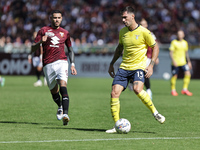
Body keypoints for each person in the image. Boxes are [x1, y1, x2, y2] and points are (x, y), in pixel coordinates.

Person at [106, 6, 165, 133]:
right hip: (124, 67)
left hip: (138, 67)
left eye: (125, 17)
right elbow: (119, 48)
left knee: (138, 90)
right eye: (122, 17)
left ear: (132, 16)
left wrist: (151, 65)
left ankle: (155, 113)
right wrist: (112, 63)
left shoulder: (144, 32)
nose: (123, 20)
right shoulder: (122, 32)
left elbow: (156, 47)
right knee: (114, 93)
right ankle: (116, 125)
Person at [31, 10, 77, 126]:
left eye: (59, 18)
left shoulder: (65, 33)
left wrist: (72, 64)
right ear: (50, 18)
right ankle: (60, 106)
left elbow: (70, 50)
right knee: (54, 91)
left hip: (62, 62)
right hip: (48, 64)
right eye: (55, 17)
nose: (57, 20)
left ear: (61, 19)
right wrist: (40, 42)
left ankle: (66, 114)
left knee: (63, 85)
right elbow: (32, 48)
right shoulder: (43, 31)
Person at [128, 18, 159, 100]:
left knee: (145, 73)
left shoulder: (150, 34)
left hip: (147, 57)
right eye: (141, 24)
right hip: (136, 57)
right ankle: (131, 81)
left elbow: (155, 46)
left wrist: (156, 57)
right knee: (134, 71)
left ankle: (148, 90)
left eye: (144, 24)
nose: (143, 25)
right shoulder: (136, 33)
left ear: (147, 25)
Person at [169, 30, 193, 96]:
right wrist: (173, 61)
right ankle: (173, 90)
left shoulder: (185, 43)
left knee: (188, 74)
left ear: (183, 35)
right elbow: (171, 53)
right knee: (175, 76)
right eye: (178, 34)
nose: (180, 35)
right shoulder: (174, 42)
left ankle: (185, 89)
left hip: (183, 62)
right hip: (176, 62)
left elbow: (186, 53)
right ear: (177, 35)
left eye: (181, 34)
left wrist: (189, 62)